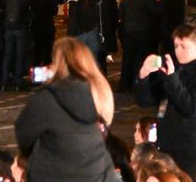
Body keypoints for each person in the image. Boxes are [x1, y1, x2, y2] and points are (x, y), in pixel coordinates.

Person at [14, 37, 119, 182]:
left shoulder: (48, 97)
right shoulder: (98, 90)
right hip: (97, 171)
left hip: (54, 172)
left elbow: (23, 133)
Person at [136, 24, 196, 179]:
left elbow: (190, 107)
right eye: (176, 46)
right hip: (166, 145)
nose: (178, 50)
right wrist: (144, 76)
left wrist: (172, 78)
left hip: (190, 148)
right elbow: (145, 101)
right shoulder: (175, 68)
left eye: (183, 46)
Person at [119, 0, 159, 92]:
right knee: (140, 59)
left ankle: (125, 85)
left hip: (128, 33)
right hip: (144, 33)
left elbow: (121, 17)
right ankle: (138, 84)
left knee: (127, 59)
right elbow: (156, 14)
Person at [1, 0, 31, 90]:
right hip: (20, 28)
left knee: (7, 55)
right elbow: (27, 13)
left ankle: (4, 81)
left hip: (8, 27)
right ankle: (18, 81)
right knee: (19, 55)